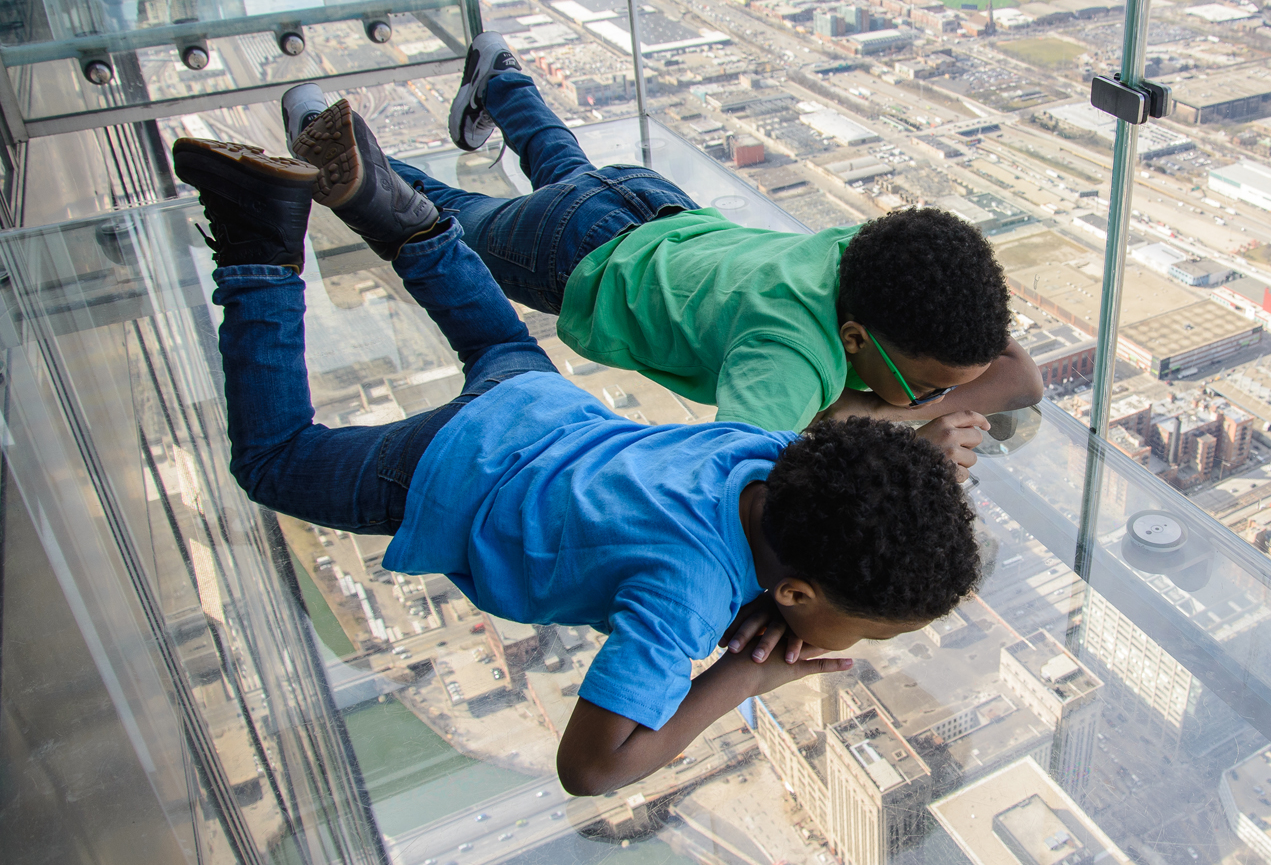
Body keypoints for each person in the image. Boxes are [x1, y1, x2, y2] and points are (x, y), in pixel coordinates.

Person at [172, 108, 990, 796]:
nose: (864, 644)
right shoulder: (685, 602)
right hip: (448, 476)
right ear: (802, 592)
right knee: (275, 461)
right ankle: (257, 238)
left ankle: (405, 213)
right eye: (871, 632)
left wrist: (777, 599)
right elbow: (592, 769)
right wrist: (741, 676)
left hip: (542, 404)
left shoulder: (770, 454)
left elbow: (835, 450)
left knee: (487, 332)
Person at [279, 34, 1043, 433]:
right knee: (455, 220)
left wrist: (908, 402)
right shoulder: (791, 358)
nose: (955, 392)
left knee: (562, 163)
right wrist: (907, 422)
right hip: (579, 260)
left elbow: (1021, 375)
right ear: (849, 338)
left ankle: (502, 78)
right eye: (935, 383)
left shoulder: (866, 260)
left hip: (650, 209)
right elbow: (739, 461)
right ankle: (338, 152)